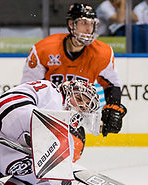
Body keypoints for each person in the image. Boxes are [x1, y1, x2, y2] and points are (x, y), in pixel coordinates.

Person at [21, 3, 128, 137]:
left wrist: (113, 105)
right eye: (84, 23)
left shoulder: (102, 53)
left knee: (74, 144)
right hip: (46, 113)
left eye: (92, 23)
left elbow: (113, 85)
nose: (89, 29)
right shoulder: (44, 49)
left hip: (77, 117)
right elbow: (27, 89)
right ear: (71, 24)